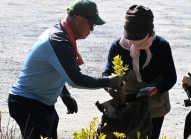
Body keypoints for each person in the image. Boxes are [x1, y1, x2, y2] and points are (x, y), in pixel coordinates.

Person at [8, 0, 123, 139]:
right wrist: (109, 81)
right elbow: (76, 80)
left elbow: (56, 69)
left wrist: (64, 93)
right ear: (79, 20)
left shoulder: (62, 34)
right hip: (28, 104)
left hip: (41, 104)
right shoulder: (60, 41)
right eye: (92, 24)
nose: (92, 29)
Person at [102, 5, 177, 139]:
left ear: (149, 31)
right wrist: (109, 87)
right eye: (131, 36)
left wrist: (155, 89)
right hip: (127, 106)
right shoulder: (117, 46)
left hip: (155, 106)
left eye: (138, 36)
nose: (133, 41)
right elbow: (107, 74)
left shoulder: (161, 46)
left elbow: (171, 77)